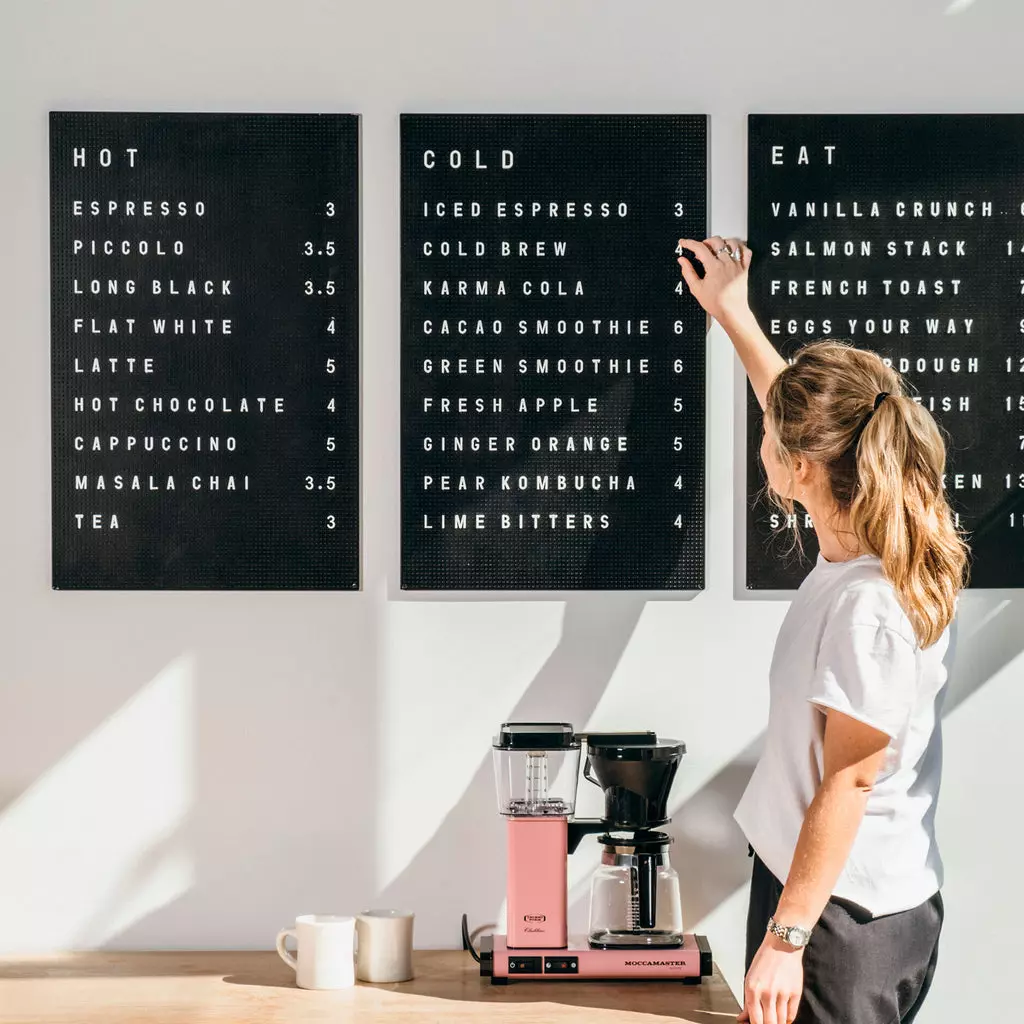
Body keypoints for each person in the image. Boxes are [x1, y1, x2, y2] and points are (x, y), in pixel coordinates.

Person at [677, 236, 969, 1024]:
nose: (762, 440)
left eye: (773, 438)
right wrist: (734, 314)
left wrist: (787, 937)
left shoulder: (869, 606)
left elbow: (852, 779)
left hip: (841, 921)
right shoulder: (855, 533)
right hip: (826, 896)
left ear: (804, 468)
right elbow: (799, 415)